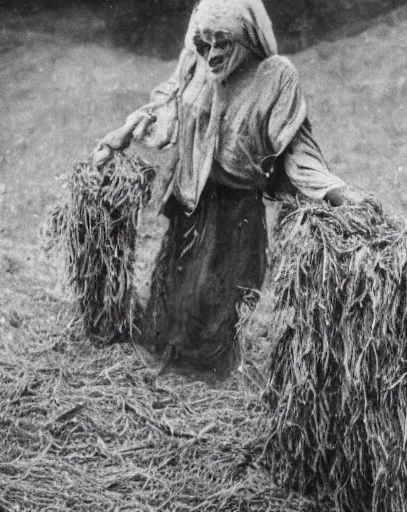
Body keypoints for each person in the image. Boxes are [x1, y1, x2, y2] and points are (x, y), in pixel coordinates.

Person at [92, 0, 360, 375]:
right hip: (192, 200)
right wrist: (119, 137)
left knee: (216, 304)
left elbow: (298, 151)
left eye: (223, 43)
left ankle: (207, 374)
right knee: (176, 298)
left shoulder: (274, 79)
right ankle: (171, 361)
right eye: (205, 44)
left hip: (237, 212)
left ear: (247, 40)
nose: (212, 54)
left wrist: (335, 194)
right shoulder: (198, 67)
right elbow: (166, 105)